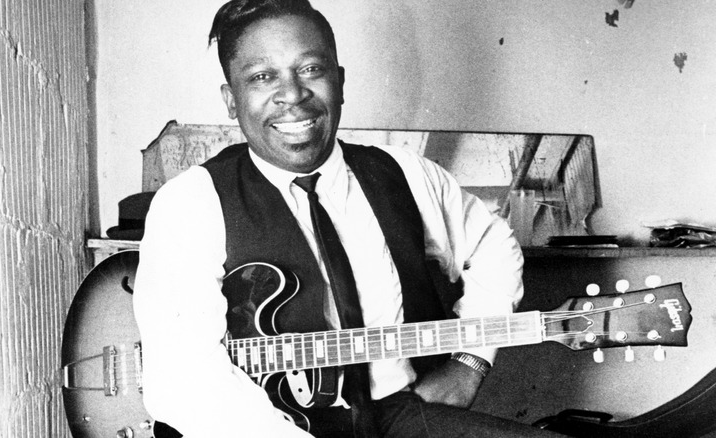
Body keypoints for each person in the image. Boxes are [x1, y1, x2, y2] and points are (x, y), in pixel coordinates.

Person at [133, 1, 559, 436]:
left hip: (399, 415)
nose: (293, 94)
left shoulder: (405, 174)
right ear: (231, 99)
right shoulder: (192, 203)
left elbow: (493, 245)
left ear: (339, 82)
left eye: (311, 69)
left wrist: (470, 361)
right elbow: (185, 380)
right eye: (262, 77)